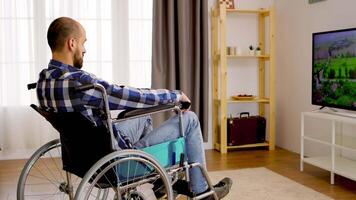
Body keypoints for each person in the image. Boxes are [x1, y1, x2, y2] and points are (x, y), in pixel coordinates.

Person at [37, 17, 232, 199]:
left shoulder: (43, 82)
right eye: (83, 42)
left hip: (82, 158)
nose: (84, 49)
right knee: (189, 119)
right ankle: (203, 192)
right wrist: (175, 96)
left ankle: (159, 184)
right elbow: (127, 96)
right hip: (118, 162)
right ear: (72, 43)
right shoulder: (81, 83)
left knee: (141, 118)